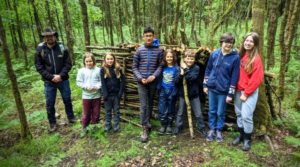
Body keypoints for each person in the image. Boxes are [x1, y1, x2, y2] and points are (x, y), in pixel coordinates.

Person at [35, 28, 76, 132]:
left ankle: (71, 117)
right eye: (46, 36)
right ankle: (52, 123)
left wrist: (60, 76)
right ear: (44, 38)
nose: (49, 38)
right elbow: (39, 67)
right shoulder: (40, 50)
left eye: (51, 36)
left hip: (63, 80)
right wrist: (51, 77)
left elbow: (68, 64)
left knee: (67, 99)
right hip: (49, 82)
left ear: (55, 36)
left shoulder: (62, 48)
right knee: (50, 103)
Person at [203, 32, 240, 142]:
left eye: (231, 43)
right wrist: (205, 84)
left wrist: (230, 93)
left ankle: (219, 130)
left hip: (223, 90)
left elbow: (234, 77)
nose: (228, 45)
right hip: (212, 88)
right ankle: (212, 129)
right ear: (221, 42)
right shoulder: (214, 54)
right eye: (226, 42)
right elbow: (208, 69)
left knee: (220, 112)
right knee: (212, 110)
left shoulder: (235, 58)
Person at [232, 32, 264, 151]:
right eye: (246, 40)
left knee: (246, 116)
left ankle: (247, 139)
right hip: (238, 90)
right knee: (239, 114)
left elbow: (257, 79)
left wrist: (246, 93)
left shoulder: (256, 59)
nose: (248, 43)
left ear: (255, 44)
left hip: (248, 92)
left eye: (251, 41)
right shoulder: (241, 55)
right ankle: (241, 135)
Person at [132, 27, 163, 143]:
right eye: (146, 36)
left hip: (153, 81)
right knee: (144, 105)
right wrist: (140, 78)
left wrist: (154, 76)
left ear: (153, 37)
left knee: (150, 103)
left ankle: (148, 122)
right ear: (143, 37)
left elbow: (160, 65)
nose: (149, 38)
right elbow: (134, 67)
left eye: (150, 36)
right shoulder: (139, 50)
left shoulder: (159, 51)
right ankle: (144, 128)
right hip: (142, 82)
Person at [173, 50, 207, 137]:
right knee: (180, 112)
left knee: (198, 113)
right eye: (188, 58)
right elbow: (176, 81)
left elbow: (191, 78)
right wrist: (180, 74)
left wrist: (185, 69)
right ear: (184, 59)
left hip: (194, 95)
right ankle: (178, 127)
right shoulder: (178, 68)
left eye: (192, 59)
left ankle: (201, 127)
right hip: (182, 95)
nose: (189, 60)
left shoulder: (196, 68)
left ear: (194, 60)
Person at [76, 52, 101, 136]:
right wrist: (86, 87)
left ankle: (94, 126)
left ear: (94, 61)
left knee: (96, 112)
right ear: (84, 62)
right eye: (87, 61)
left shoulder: (98, 70)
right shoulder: (81, 71)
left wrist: (97, 86)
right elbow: (79, 82)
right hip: (86, 96)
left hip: (96, 95)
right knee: (86, 113)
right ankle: (84, 127)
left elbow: (101, 82)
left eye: (90, 61)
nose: (89, 63)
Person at [157, 49, 180, 135]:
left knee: (171, 107)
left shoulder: (177, 68)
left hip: (172, 90)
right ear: (165, 58)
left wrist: (180, 73)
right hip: (163, 90)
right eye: (167, 57)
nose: (169, 58)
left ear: (173, 57)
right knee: (162, 108)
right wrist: (159, 88)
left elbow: (177, 81)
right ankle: (163, 125)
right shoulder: (162, 67)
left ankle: (169, 125)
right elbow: (159, 78)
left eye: (171, 57)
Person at [101, 53, 125, 132]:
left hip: (116, 95)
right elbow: (103, 82)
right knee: (108, 111)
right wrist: (105, 94)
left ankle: (116, 125)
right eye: (108, 59)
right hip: (107, 95)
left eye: (111, 59)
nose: (110, 60)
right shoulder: (103, 69)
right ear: (105, 60)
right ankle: (108, 125)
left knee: (116, 111)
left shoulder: (118, 69)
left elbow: (123, 81)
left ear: (114, 59)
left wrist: (120, 93)